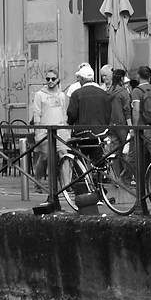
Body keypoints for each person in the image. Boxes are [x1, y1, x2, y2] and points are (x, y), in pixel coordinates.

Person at [52, 63, 115, 212]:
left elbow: (72, 115)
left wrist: (71, 123)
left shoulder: (77, 94)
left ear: (81, 79)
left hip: (82, 133)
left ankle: (86, 194)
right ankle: (100, 192)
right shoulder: (103, 93)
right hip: (100, 133)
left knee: (79, 162)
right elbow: (108, 112)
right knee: (98, 163)